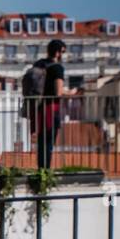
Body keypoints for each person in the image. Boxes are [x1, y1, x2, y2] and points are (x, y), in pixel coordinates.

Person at [36, 39, 79, 170]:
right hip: (51, 108)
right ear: (58, 52)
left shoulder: (38, 64)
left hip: (38, 108)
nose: (63, 55)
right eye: (62, 52)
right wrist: (71, 93)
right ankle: (46, 170)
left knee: (41, 141)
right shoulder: (57, 68)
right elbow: (58, 92)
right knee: (49, 142)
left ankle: (40, 170)